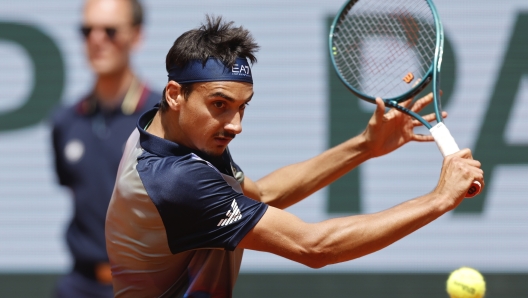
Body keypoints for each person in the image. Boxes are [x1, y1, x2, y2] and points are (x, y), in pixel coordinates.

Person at [105, 16, 484, 298]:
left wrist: (364, 146)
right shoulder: (175, 180)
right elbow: (314, 247)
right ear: (175, 94)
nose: (235, 124)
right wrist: (439, 199)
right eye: (220, 104)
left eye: (242, 107)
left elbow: (260, 196)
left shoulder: (167, 131)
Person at [50, 0, 160, 297]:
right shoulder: (66, 121)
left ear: (136, 36)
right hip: (80, 284)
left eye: (110, 30)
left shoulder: (163, 118)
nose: (97, 39)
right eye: (87, 31)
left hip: (149, 285)